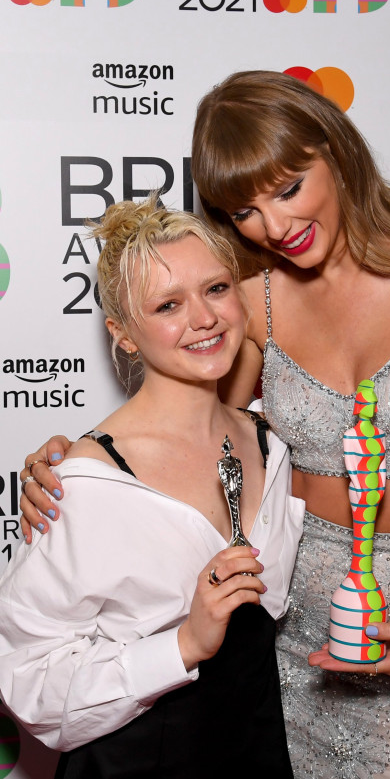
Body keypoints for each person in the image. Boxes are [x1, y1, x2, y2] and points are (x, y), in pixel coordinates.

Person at [19, 71, 390, 778]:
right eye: (243, 212)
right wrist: (78, 460)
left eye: (288, 188)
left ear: (336, 150)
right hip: (297, 632)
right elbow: (204, 423)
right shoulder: (256, 296)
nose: (275, 226)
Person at [1, 195, 305, 779]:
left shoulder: (273, 443)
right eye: (168, 304)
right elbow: (27, 678)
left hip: (258, 753)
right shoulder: (85, 484)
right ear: (125, 334)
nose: (203, 317)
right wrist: (182, 645)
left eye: (216, 288)